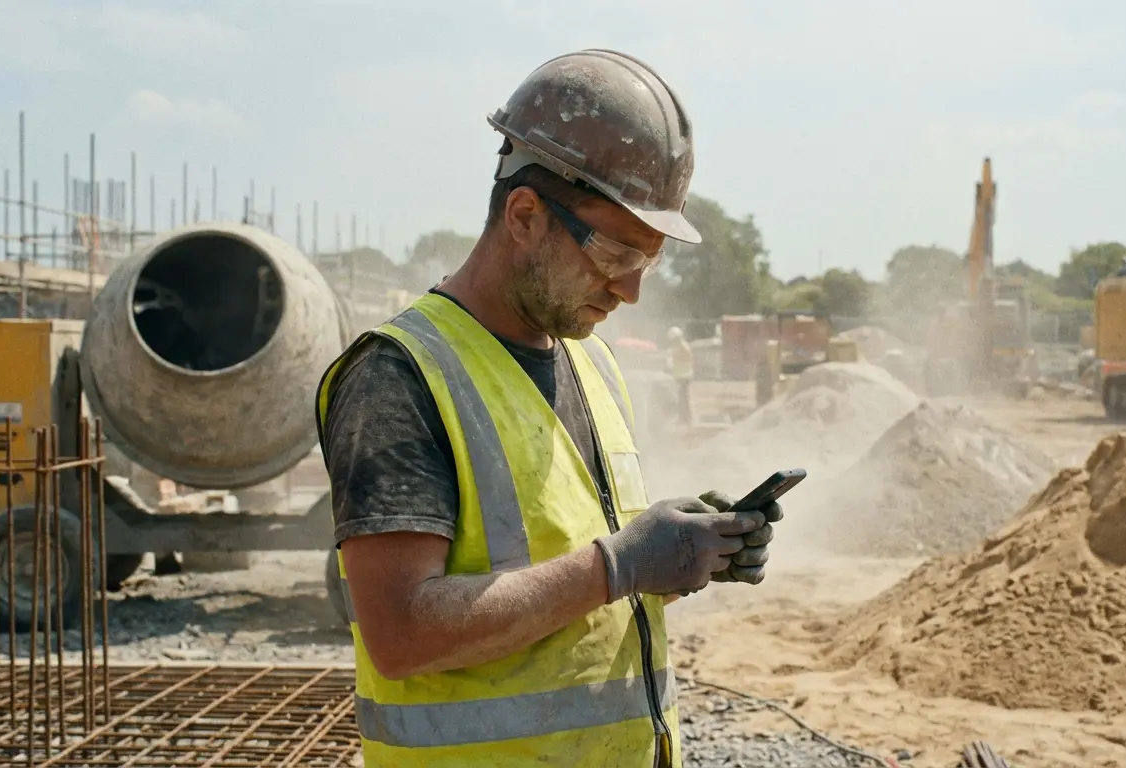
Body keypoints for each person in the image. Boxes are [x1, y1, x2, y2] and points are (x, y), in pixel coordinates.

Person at [314, 49, 784, 767]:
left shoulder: (588, 358)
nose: (628, 293)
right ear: (526, 215)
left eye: (646, 265)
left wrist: (686, 550)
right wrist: (619, 565)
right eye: (614, 256)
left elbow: (568, 567)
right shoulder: (398, 377)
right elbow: (401, 633)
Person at [665, 326, 695, 424]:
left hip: (684, 376)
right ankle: (684, 418)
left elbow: (682, 360)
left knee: (683, 398)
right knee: (682, 397)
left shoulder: (683, 347)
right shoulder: (681, 347)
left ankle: (686, 418)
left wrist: (672, 362)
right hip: (682, 376)